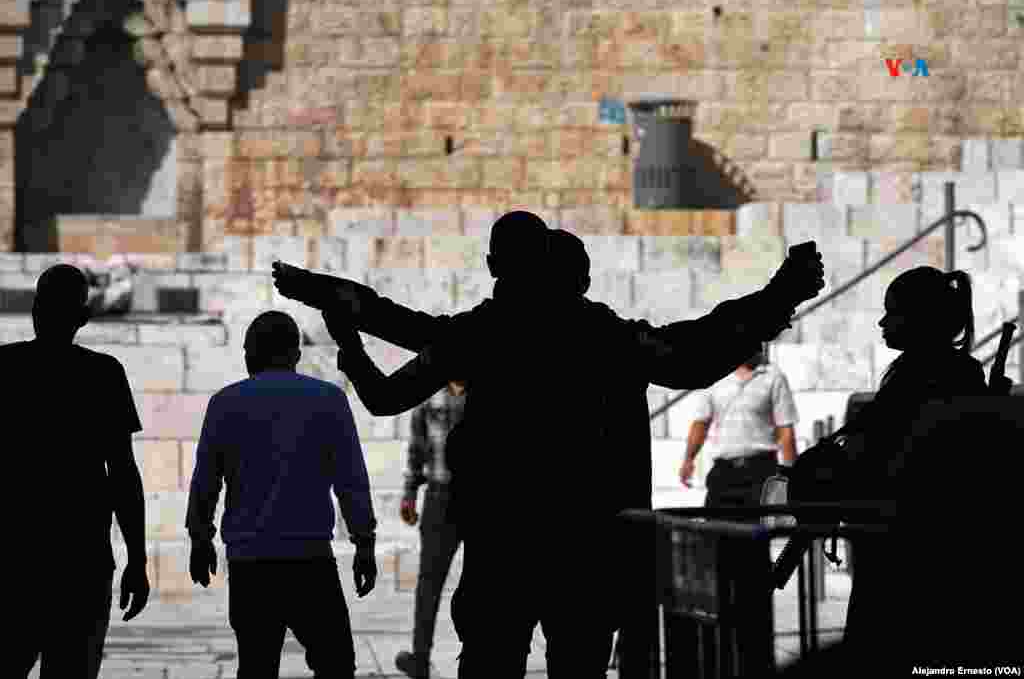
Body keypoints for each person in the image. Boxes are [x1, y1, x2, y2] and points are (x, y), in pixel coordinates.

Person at [301, 216, 824, 678]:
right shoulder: (602, 335)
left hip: (505, 541)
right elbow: (688, 354)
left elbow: (400, 360)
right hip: (584, 545)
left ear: (496, 264)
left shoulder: (485, 331)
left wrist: (349, 324)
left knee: (491, 658)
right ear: (576, 277)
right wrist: (777, 297)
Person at [788, 266, 989, 670]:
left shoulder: (927, 377)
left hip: (911, 550)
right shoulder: (932, 373)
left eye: (892, 312)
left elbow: (889, 453)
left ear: (920, 319)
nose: (882, 322)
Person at [185, 310, 378, 679]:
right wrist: (364, 541)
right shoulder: (328, 401)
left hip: (250, 564)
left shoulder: (226, 403)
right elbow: (351, 478)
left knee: (256, 666)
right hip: (310, 561)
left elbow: (206, 480)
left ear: (252, 352)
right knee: (336, 664)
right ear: (296, 353)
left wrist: (200, 537)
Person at [7, 263, 149, 679]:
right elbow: (122, 472)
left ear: (34, 309)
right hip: (81, 559)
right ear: (83, 318)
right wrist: (137, 559)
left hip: (14, 556)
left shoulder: (5, 368)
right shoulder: (103, 374)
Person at [394, 380, 467, 679]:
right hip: (440, 496)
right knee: (429, 582)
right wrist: (410, 493)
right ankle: (420, 657)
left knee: (484, 582)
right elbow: (417, 445)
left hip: (483, 498)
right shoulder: (429, 393)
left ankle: (478, 653)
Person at [679, 345, 799, 511]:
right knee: (716, 531)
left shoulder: (774, 377)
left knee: (757, 533)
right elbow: (701, 423)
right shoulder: (715, 377)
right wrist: (688, 459)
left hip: (761, 472)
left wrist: (790, 476)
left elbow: (785, 430)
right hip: (724, 473)